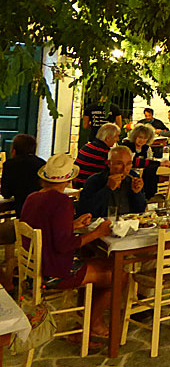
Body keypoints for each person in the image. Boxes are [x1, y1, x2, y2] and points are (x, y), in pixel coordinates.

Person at [21, 153, 114, 340]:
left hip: (34, 267)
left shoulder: (32, 197)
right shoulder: (62, 202)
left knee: (100, 263)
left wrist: (73, 224)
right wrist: (97, 233)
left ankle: (86, 316)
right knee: (116, 274)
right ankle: (93, 323)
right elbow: (65, 245)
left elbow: (46, 229)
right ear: (69, 179)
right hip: (54, 271)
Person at [77, 145, 148, 218]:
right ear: (109, 163)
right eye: (119, 164)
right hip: (102, 225)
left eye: (128, 164)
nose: (124, 169)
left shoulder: (133, 177)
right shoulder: (94, 180)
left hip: (129, 224)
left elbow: (141, 210)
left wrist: (137, 193)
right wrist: (107, 189)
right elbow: (84, 212)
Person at [0, 134, 46, 215]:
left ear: (14, 150)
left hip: (22, 210)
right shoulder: (42, 163)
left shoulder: (10, 164)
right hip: (41, 209)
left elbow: (6, 193)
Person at [122, 123, 168, 197]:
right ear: (135, 136)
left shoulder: (147, 149)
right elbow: (133, 162)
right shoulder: (127, 147)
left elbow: (149, 161)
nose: (142, 140)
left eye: (145, 138)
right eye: (140, 137)